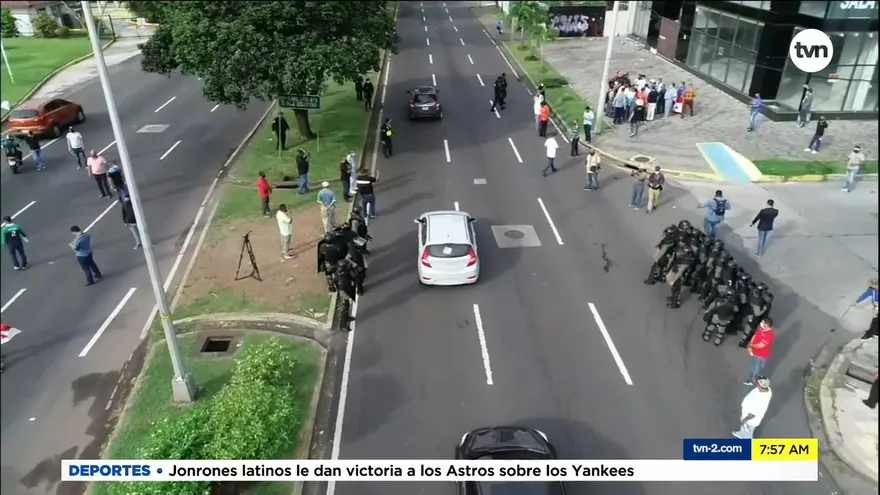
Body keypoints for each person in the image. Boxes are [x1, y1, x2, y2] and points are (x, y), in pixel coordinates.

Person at [744, 316, 775, 385]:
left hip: (761, 356)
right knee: (752, 368)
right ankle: (752, 379)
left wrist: (750, 346)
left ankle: (754, 382)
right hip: (754, 353)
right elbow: (754, 336)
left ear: (767, 325)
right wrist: (750, 345)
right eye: (762, 322)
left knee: (757, 370)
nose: (761, 324)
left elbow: (760, 346)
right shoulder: (761, 328)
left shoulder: (769, 335)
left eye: (763, 323)